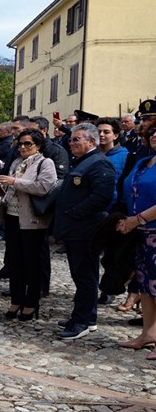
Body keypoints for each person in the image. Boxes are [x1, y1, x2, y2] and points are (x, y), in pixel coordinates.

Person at [54, 123, 116, 339]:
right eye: (71, 139)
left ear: (91, 141)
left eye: (76, 139)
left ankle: (84, 321)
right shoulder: (82, 161)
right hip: (74, 229)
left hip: (85, 229)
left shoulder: (99, 163)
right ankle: (83, 315)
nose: (71, 143)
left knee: (86, 276)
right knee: (80, 275)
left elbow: (102, 197)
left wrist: (74, 212)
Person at [0, 129, 57, 321]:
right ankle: (16, 299)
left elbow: (44, 187)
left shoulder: (45, 163)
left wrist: (15, 182)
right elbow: (13, 189)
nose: (23, 147)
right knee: (15, 262)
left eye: (28, 144)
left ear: (38, 145)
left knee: (32, 263)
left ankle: (31, 303)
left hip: (32, 221)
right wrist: (2, 187)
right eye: (20, 144)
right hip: (12, 217)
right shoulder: (16, 162)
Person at [116, 125, 156, 359]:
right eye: (152, 133)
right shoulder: (144, 162)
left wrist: (138, 219)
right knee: (144, 284)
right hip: (140, 233)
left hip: (151, 228)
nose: (154, 136)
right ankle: (148, 334)